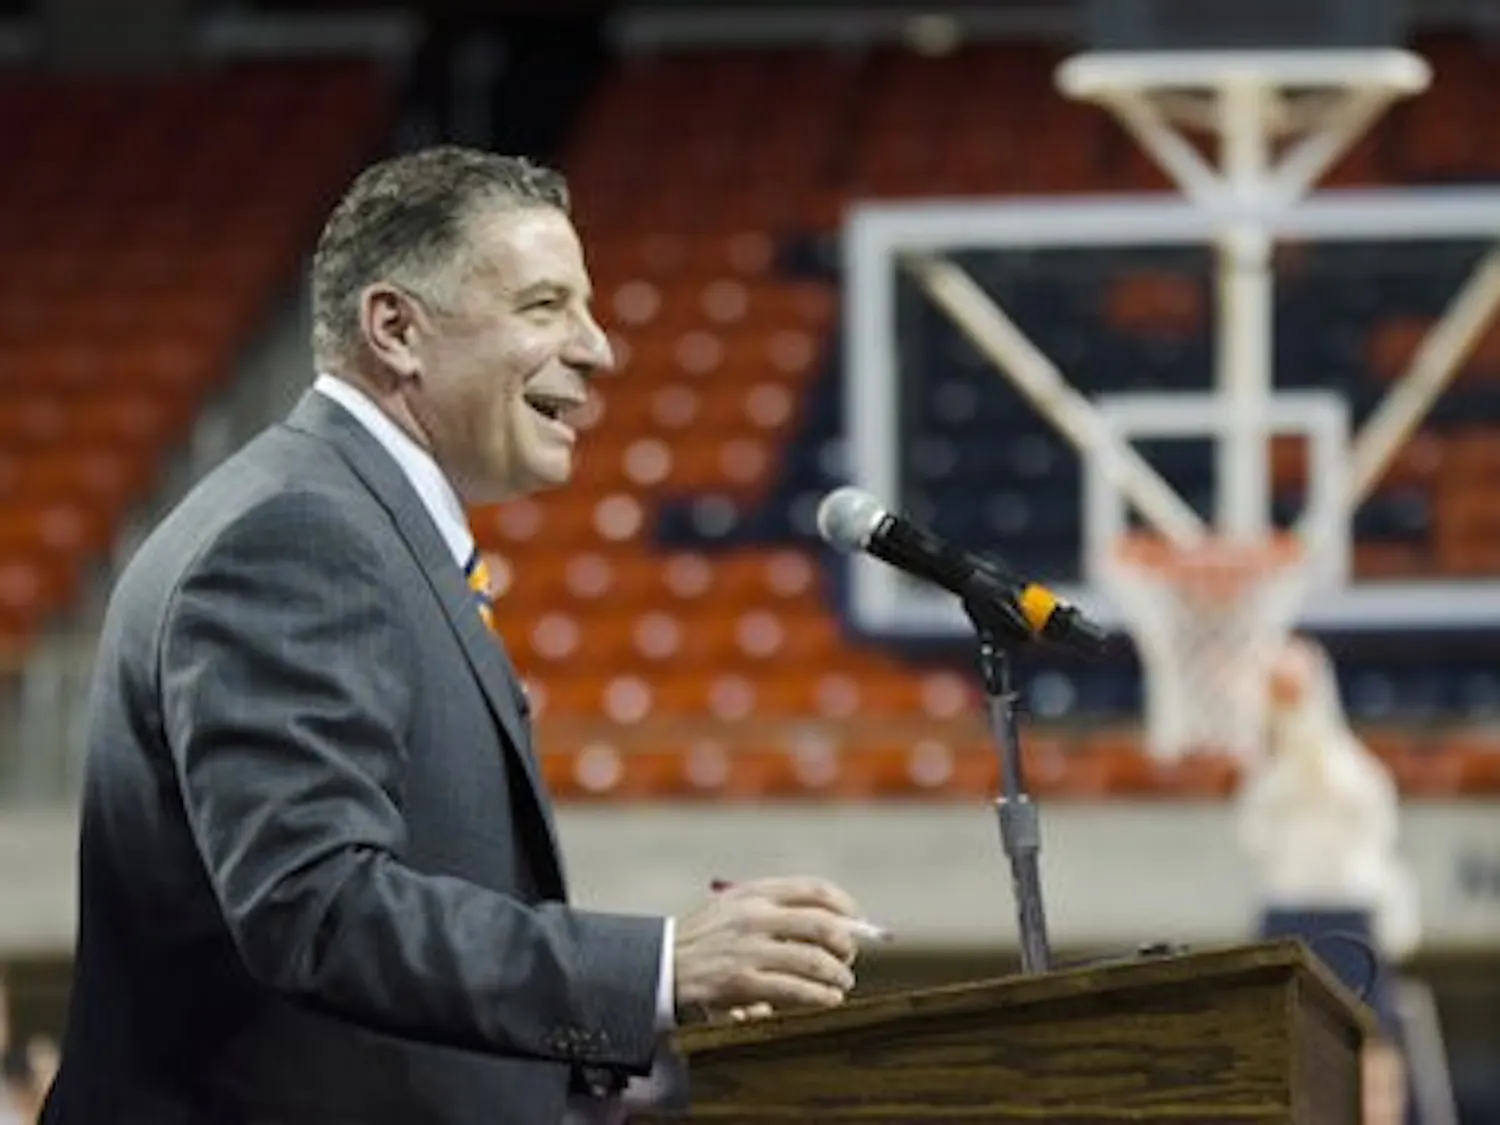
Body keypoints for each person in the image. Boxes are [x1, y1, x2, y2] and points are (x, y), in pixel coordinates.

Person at [41, 145, 866, 1125]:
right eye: (546, 305)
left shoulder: (345, 521)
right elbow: (316, 906)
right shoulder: (297, 535)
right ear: (396, 329)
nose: (598, 347)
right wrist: (657, 968)